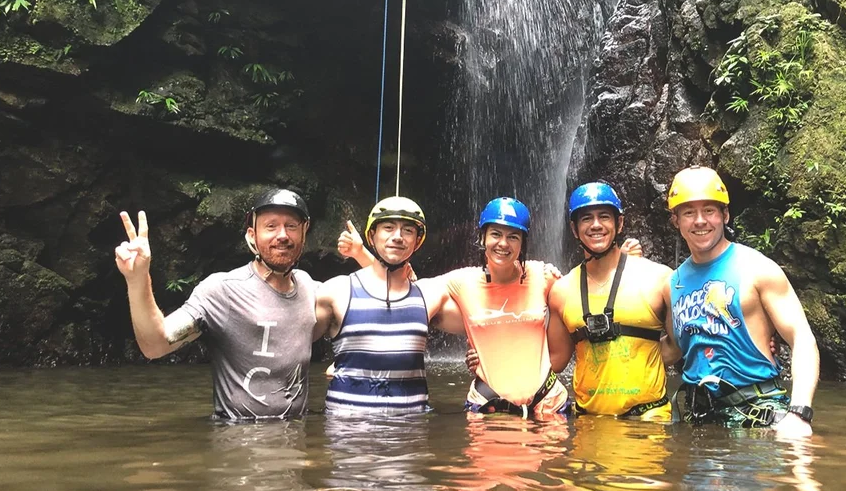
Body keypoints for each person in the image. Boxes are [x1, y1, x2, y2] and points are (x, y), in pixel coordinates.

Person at [339, 196, 645, 418]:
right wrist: (362, 255)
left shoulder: (544, 276)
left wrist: (624, 264)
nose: (503, 244)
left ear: (523, 243)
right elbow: (403, 294)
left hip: (548, 407)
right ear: (482, 237)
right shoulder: (460, 282)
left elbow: (588, 296)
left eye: (513, 236)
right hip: (488, 407)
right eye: (495, 234)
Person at [115, 189, 321, 420]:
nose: (282, 235)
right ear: (252, 235)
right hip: (238, 435)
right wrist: (138, 279)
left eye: (291, 226)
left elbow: (349, 309)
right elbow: (155, 345)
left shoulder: (311, 289)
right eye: (271, 226)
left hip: (295, 436)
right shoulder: (223, 291)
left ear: (304, 233)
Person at [664, 165, 821, 437]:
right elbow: (673, 350)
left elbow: (802, 338)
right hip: (698, 419)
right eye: (689, 213)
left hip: (756, 412)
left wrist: (800, 412)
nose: (700, 221)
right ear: (675, 220)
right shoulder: (672, 284)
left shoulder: (758, 269)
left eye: (709, 210)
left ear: (725, 215)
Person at [546, 182, 680, 419]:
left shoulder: (658, 278)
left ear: (620, 223)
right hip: (588, 422)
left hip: (647, 423)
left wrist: (641, 358)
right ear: (574, 229)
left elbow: (680, 345)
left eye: (604, 216)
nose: (596, 225)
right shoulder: (561, 290)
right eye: (586, 218)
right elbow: (554, 361)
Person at [316, 196, 451, 414]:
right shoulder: (335, 291)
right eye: (388, 228)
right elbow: (289, 344)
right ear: (372, 235)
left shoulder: (430, 296)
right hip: (348, 431)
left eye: (408, 230)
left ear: (417, 241)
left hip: (409, 431)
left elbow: (484, 322)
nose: (397, 237)